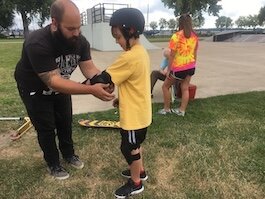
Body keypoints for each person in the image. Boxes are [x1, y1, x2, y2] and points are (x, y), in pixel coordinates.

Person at [14, 0, 115, 180]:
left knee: (65, 121)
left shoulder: (80, 41)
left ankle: (69, 154)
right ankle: (53, 163)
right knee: (46, 127)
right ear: (54, 22)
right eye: (70, 28)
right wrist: (91, 90)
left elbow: (89, 68)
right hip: (34, 89)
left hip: (62, 85)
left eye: (79, 27)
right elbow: (53, 81)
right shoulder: (37, 42)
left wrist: (103, 80)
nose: (76, 33)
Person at [105, 8, 152, 198]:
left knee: (129, 148)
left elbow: (105, 78)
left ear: (130, 31)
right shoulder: (141, 52)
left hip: (133, 117)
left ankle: (136, 183)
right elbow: (136, 83)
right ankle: (140, 171)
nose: (116, 41)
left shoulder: (129, 57)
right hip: (141, 112)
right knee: (136, 144)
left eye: (117, 36)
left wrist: (84, 85)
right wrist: (120, 98)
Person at [158, 14, 198, 116]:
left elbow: (172, 55)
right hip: (191, 66)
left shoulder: (176, 36)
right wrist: (193, 65)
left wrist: (169, 70)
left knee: (165, 87)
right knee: (185, 88)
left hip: (178, 68)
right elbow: (195, 53)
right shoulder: (195, 37)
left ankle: (166, 109)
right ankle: (181, 110)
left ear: (180, 23)